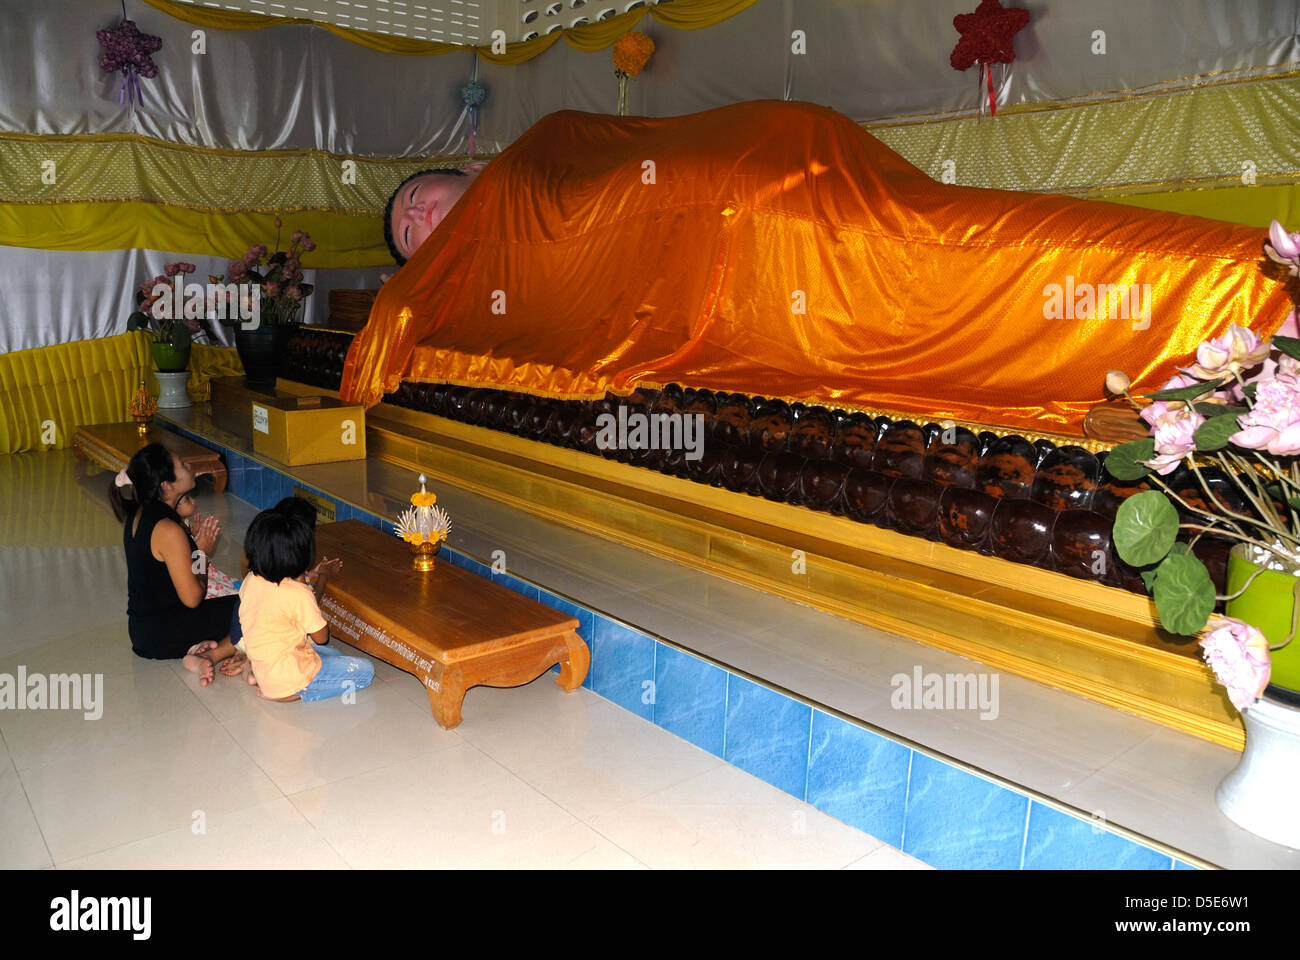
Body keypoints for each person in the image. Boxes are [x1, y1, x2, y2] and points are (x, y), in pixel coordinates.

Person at [353, 100, 1292, 436]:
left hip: (756, 193)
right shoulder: (460, 264)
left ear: (463, 172)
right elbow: (396, 325)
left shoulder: (533, 159)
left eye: (419, 201)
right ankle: (1243, 306)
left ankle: (1247, 291)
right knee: (945, 289)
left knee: (953, 254)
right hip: (732, 273)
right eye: (406, 235)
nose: (421, 224)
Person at [109, 443, 238, 686]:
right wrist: (202, 553)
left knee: (234, 603)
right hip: (164, 633)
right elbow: (193, 598)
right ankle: (212, 653)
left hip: (143, 630)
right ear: (166, 485)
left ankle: (200, 646)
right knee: (249, 607)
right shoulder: (168, 529)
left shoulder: (141, 514)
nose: (189, 466)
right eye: (182, 464)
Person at [238, 509, 373, 703]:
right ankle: (292, 693)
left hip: (264, 664)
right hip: (288, 678)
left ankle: (261, 678)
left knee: (334, 654)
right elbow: (321, 637)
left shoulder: (252, 579)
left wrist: (311, 576)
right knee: (365, 671)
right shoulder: (297, 593)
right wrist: (317, 579)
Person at [219, 496, 342, 679]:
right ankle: (254, 665)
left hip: (245, 636)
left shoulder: (258, 566)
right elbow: (314, 626)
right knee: (329, 654)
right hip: (268, 647)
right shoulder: (296, 585)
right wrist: (323, 577)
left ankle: (248, 658)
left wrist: (311, 574)